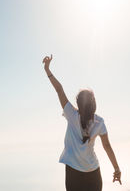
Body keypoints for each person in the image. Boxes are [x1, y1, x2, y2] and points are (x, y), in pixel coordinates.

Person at [43, 54, 122, 191]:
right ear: (94, 104)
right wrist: (116, 169)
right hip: (93, 172)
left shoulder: (71, 114)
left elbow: (59, 89)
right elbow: (107, 146)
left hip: (74, 173)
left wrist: (47, 69)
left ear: (78, 103)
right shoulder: (99, 122)